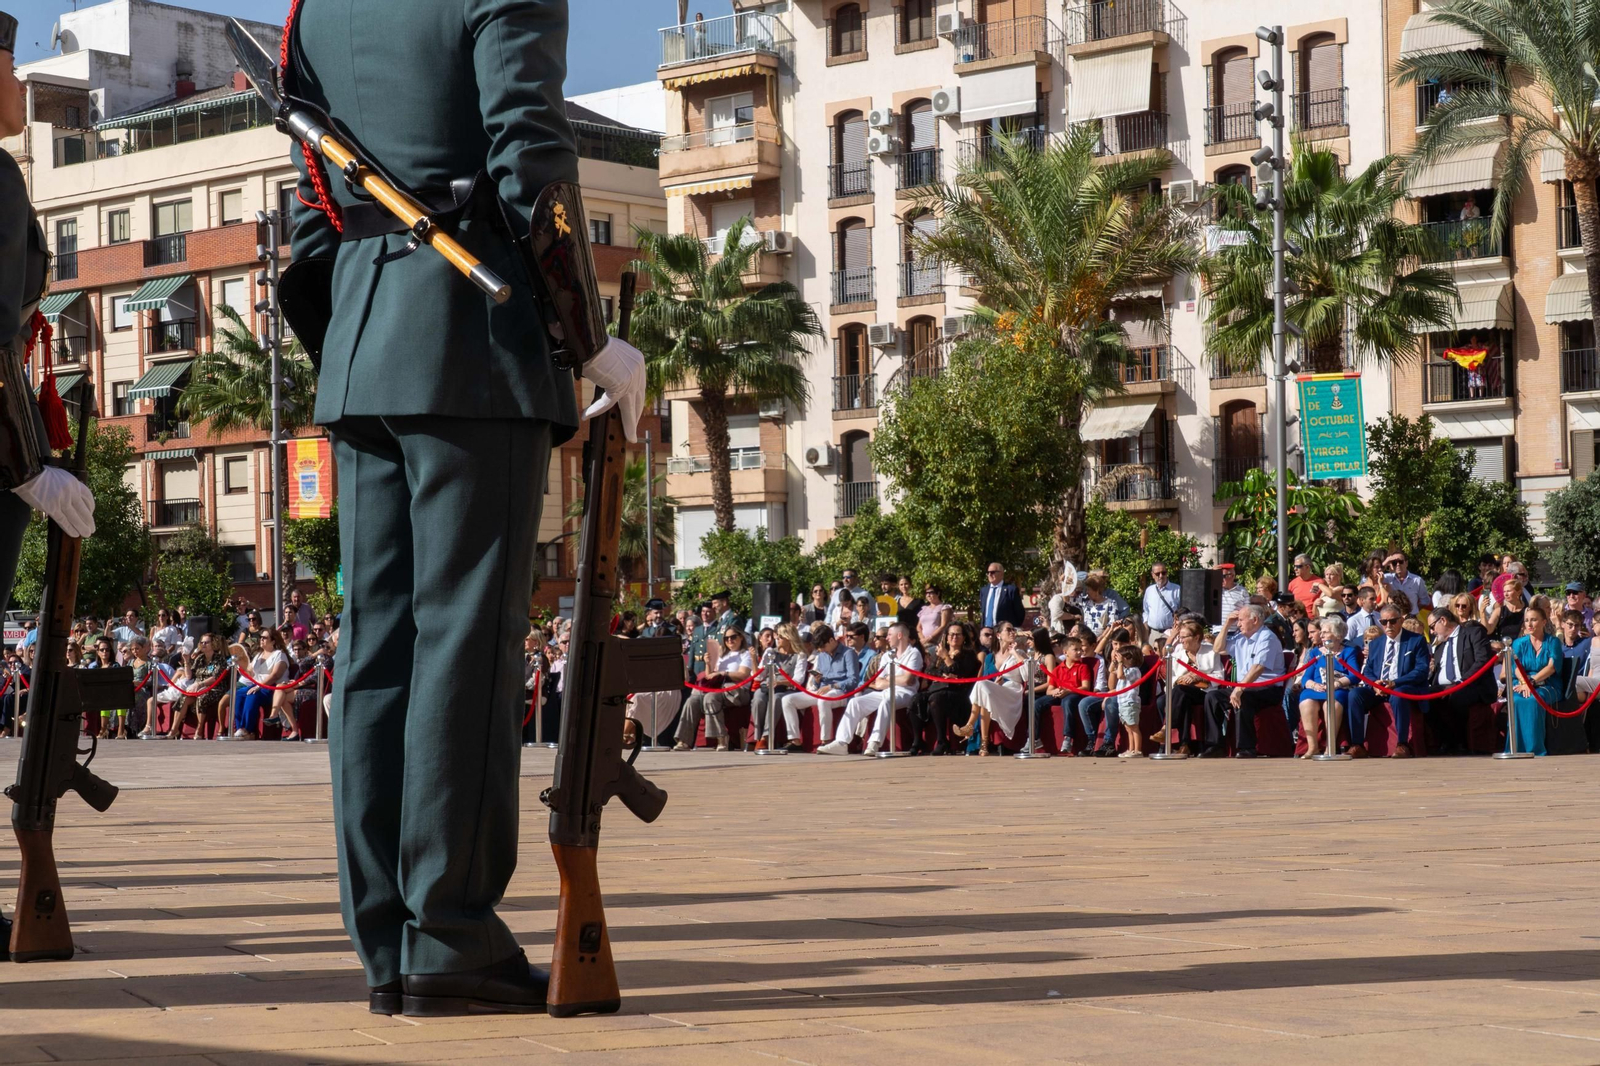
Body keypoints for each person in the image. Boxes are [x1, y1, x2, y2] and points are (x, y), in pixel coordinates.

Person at [285, 0, 651, 1014]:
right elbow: (530, 157)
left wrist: (351, 343)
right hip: (473, 340)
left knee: (378, 654)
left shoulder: (320, 7)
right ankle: (447, 933)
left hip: (362, 347)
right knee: (462, 644)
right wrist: (585, 335)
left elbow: (315, 195)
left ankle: (388, 942)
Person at [818, 622, 922, 756]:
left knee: (887, 702)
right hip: (885, 692)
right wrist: (895, 679)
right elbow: (878, 682)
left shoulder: (914, 653)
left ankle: (874, 742)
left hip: (906, 693)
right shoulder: (887, 655)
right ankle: (841, 742)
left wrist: (888, 679)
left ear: (900, 635)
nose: (887, 638)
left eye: (889, 635)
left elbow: (908, 680)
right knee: (855, 703)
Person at [1201, 604, 1284, 758]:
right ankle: (1215, 745)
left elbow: (1258, 667)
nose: (1237, 624)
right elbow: (1218, 649)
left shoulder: (1267, 637)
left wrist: (1239, 689)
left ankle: (1246, 747)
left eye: (1240, 620)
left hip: (1268, 688)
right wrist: (1226, 624)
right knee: (1212, 697)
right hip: (1245, 685)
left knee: (1243, 697)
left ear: (1254, 620)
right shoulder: (1241, 638)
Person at [1347, 606, 1429, 758]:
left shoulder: (1416, 641)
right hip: (1379, 687)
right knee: (1354, 695)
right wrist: (1374, 684)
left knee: (1398, 694)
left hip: (1403, 686)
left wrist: (1395, 682)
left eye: (1392, 621)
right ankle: (1357, 744)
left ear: (1401, 620)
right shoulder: (1376, 644)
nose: (1388, 626)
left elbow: (1421, 670)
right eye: (1384, 622)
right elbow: (1368, 671)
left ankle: (1402, 744)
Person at [1426, 606, 1496, 755]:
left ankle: (1460, 742)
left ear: (1443, 620)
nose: (1432, 632)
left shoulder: (1473, 633)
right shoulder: (1440, 645)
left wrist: (1462, 682)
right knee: (1423, 697)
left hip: (1471, 685)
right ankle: (1444, 741)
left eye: (1432, 627)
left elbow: (1482, 660)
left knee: (1457, 697)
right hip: (1442, 686)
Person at [674, 625, 753, 751]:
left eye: (733, 637)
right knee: (692, 700)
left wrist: (724, 673)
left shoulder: (745, 654)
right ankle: (684, 740)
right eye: (726, 638)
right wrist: (708, 664)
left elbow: (743, 675)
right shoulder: (722, 655)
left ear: (741, 638)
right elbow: (709, 675)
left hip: (736, 690)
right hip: (718, 688)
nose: (729, 640)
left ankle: (721, 738)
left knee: (711, 698)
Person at [779, 623, 857, 750]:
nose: (821, 650)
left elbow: (853, 681)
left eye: (823, 646)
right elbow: (818, 682)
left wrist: (832, 686)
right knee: (787, 700)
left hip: (842, 692)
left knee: (823, 700)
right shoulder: (822, 656)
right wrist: (816, 680)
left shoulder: (848, 653)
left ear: (832, 640)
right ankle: (795, 741)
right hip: (823, 690)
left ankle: (825, 741)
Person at [955, 623, 1027, 754]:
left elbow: (1027, 674)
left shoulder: (1019, 653)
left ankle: (970, 726)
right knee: (983, 692)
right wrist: (995, 684)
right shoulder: (991, 656)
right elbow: (983, 677)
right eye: (1008, 630)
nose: (1012, 632)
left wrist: (1014, 653)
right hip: (995, 690)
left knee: (982, 687)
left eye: (1013, 630)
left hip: (1012, 691)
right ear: (999, 635)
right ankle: (983, 745)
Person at [1296, 617, 1359, 759]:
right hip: (1316, 688)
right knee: (1306, 701)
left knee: (1331, 704)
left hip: (1338, 688)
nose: (1322, 635)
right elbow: (1306, 678)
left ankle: (1330, 747)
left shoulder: (1349, 652)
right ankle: (1312, 748)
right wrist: (1313, 685)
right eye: (1322, 632)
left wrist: (1337, 684)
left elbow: (1354, 675)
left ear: (1337, 635)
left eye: (1325, 632)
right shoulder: (1315, 653)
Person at [915, 623, 980, 755]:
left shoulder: (968, 654)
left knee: (936, 699)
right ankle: (917, 741)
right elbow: (930, 671)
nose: (954, 637)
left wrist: (946, 657)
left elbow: (961, 671)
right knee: (915, 700)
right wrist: (943, 674)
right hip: (938, 688)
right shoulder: (939, 652)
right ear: (946, 637)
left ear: (964, 637)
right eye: (951, 634)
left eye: (958, 634)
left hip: (959, 692)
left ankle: (941, 741)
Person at [1509, 606, 1561, 757]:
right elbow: (1516, 667)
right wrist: (1525, 683)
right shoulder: (1518, 643)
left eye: (1533, 620)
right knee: (1517, 700)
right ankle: (1516, 748)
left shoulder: (1553, 642)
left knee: (1533, 700)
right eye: (1526, 620)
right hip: (1522, 682)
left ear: (1544, 622)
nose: (1529, 624)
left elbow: (1551, 667)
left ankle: (1535, 748)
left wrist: (1531, 681)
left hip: (1547, 683)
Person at [1162, 620, 1217, 756]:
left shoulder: (1210, 651)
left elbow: (1219, 676)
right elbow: (1170, 678)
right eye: (1180, 637)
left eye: (1184, 637)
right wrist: (1181, 679)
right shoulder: (1178, 654)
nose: (1180, 641)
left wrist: (1198, 676)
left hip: (1203, 692)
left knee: (1180, 692)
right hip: (1183, 691)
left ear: (1196, 637)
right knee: (1182, 698)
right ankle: (1184, 744)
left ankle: (1167, 727)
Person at [749, 623, 805, 750]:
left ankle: (766, 736)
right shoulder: (770, 652)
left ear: (789, 638)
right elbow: (758, 676)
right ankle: (758, 736)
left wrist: (780, 682)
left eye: (780, 637)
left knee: (777, 698)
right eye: (776, 636)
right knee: (758, 698)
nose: (776, 639)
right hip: (767, 686)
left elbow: (798, 680)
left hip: (786, 688)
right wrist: (753, 659)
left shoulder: (799, 655)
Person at [1111, 644, 1147, 758]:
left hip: (1130, 702)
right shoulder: (1125, 669)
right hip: (1122, 702)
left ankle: (1137, 750)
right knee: (1128, 727)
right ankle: (1131, 749)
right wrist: (1115, 660)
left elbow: (1120, 675)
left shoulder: (1134, 670)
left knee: (1134, 726)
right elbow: (1112, 671)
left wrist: (1121, 663)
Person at [1485, 575, 1527, 649]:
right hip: (1502, 650)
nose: (1506, 594)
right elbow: (1488, 630)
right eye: (1504, 591)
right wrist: (1482, 613)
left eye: (1509, 591)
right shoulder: (1499, 611)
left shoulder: (1527, 611)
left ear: (1519, 592)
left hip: (1521, 649)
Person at [1382, 553, 1430, 618]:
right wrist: (1385, 562)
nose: (1398, 564)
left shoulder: (1417, 580)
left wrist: (1414, 609)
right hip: (1394, 618)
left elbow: (1425, 600)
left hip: (1411, 617)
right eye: (1394, 562)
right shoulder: (1388, 578)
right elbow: (1373, 576)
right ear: (1391, 565)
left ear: (1406, 563)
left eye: (1401, 561)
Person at [978, 562, 1024, 629]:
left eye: (993, 572)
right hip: (987, 630)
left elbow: (1019, 612)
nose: (990, 574)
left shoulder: (1011, 590)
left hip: (1003, 631)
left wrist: (1012, 628)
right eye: (988, 573)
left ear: (1001, 574)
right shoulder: (984, 591)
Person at [1141, 564, 1181, 636]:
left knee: (1168, 648)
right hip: (1153, 633)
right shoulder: (1149, 590)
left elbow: (1183, 612)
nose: (1161, 576)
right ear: (1152, 575)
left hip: (1170, 633)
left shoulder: (1177, 590)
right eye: (1157, 574)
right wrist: (1146, 627)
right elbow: (1146, 611)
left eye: (1163, 573)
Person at [1218, 564, 1250, 633]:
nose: (1220, 579)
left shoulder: (1242, 591)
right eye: (1218, 576)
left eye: (1223, 576)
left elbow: (1247, 610)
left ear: (1232, 576)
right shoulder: (1216, 589)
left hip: (1236, 631)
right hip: (1219, 630)